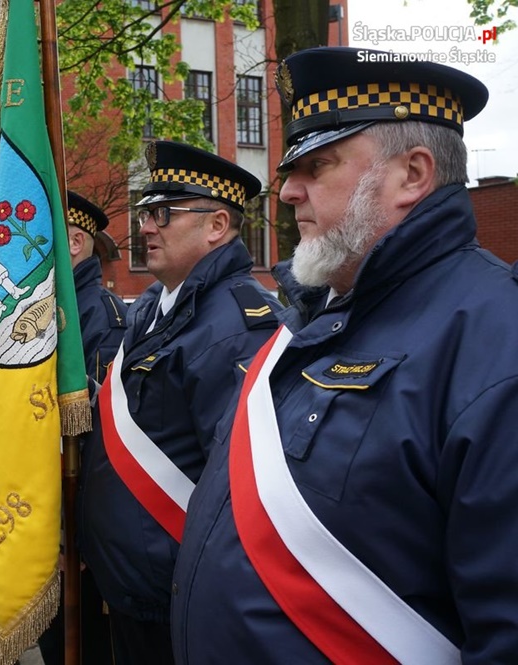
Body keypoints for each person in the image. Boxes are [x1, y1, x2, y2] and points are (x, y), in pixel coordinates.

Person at [170, 47, 518, 663]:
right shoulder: (317, 315)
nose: (287, 191)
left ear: (412, 175)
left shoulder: (496, 338)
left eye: (318, 165)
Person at [78, 142, 281, 663]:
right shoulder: (153, 307)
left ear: (217, 225)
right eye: (146, 211)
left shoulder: (238, 327)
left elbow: (240, 494)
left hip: (171, 593)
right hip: (130, 577)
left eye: (164, 213)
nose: (146, 226)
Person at [36, 191, 128, 665]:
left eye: (41, 238)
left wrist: (79, 529)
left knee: (79, 642)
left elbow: (102, 438)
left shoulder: (100, 317)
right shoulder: (50, 307)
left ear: (73, 243)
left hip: (73, 522)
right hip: (44, 504)